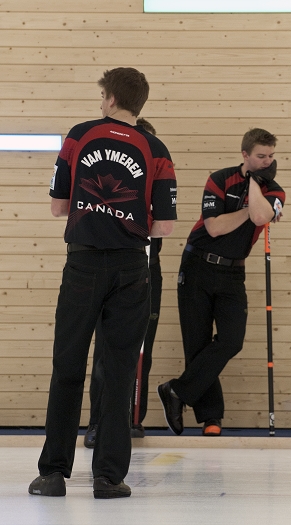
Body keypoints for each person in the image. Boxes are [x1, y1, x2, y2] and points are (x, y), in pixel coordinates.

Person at [28, 67, 177, 499]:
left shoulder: (80, 134)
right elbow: (164, 228)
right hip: (133, 268)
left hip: (84, 264)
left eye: (101, 96)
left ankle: (54, 474)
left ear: (111, 98)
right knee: (117, 373)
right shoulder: (156, 148)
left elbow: (58, 208)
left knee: (68, 366)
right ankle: (109, 478)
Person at [157, 128, 285, 437]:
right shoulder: (219, 179)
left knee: (231, 340)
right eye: (260, 156)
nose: (267, 161)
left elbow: (261, 217)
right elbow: (214, 227)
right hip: (197, 264)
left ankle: (176, 391)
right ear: (245, 155)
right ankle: (211, 418)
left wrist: (256, 184)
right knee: (197, 343)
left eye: (270, 156)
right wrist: (251, 209)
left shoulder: (275, 190)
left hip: (233, 272)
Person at [84, 118, 163, 446]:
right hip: (109, 269)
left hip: (146, 272)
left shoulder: (159, 183)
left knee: (141, 347)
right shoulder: (111, 184)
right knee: (105, 348)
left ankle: (132, 420)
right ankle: (97, 423)